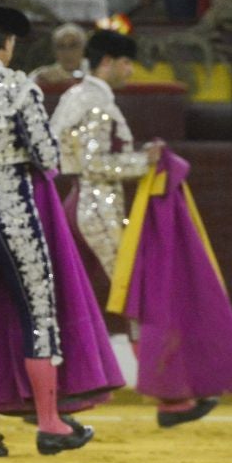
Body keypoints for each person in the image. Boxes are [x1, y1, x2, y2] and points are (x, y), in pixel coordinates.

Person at [0, 3, 105, 457]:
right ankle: (50, 423)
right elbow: (47, 157)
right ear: (8, 44)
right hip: (11, 214)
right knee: (38, 315)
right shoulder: (16, 86)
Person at [50, 26, 156, 276]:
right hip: (98, 208)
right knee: (131, 287)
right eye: (126, 62)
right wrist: (144, 161)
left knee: (78, 296)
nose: (130, 71)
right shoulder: (96, 102)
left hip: (77, 202)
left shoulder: (75, 95)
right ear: (107, 62)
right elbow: (94, 164)